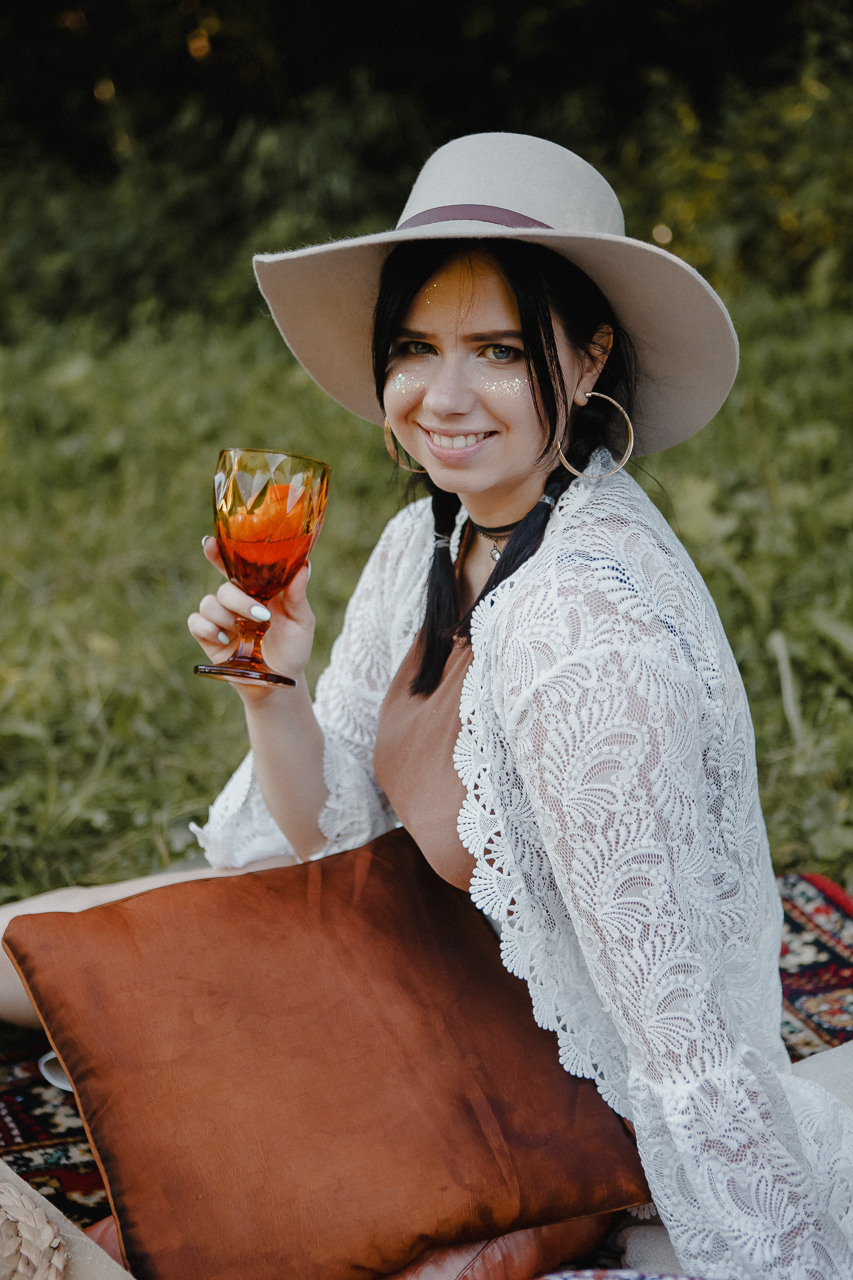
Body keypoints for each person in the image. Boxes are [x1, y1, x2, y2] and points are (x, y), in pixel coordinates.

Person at [2, 133, 852, 1277]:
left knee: (177, 1226)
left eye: (498, 350)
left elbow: (682, 1049)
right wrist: (273, 687)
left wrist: (769, 1250)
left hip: (537, 1098)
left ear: (590, 355)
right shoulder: (429, 538)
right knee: (49, 938)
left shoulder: (579, 636)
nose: (441, 398)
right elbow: (332, 837)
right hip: (408, 968)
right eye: (416, 347)